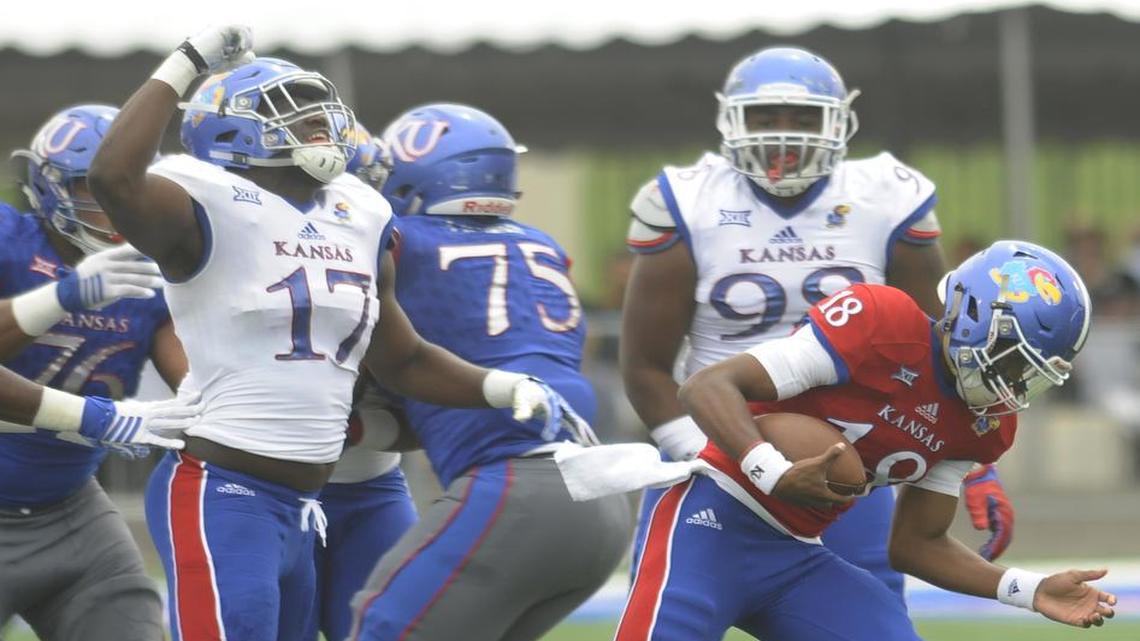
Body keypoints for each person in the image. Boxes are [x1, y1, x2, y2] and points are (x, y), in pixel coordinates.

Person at [88, 27, 590, 641]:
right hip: (222, 487)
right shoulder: (203, 200)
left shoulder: (360, 211)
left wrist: (502, 386)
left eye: (317, 111)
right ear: (230, 131)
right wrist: (187, 62)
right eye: (294, 116)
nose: (319, 125)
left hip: (310, 502)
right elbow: (113, 176)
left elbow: (402, 357)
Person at [620, 46, 1014, 598]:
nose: (785, 136)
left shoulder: (885, 196)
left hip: (853, 455)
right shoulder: (689, 201)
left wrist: (972, 466)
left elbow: (948, 350)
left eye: (803, 118)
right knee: (673, 612)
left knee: (862, 613)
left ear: (839, 123)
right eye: (765, 118)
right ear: (731, 121)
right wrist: (705, 454)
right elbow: (645, 365)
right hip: (713, 440)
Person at [614, 241, 1114, 641]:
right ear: (972, 313)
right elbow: (707, 385)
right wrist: (771, 470)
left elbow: (918, 545)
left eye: (1031, 372)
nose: (1014, 382)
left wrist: (1030, 589)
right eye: (1011, 357)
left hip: (795, 556)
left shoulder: (986, 424)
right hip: (712, 520)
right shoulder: (881, 320)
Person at [348, 103, 631, 641]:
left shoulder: (400, 241)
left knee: (383, 623)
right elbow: (446, 395)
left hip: (518, 489)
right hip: (598, 498)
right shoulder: (541, 245)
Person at [0, 103, 194, 641]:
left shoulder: (153, 273)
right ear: (49, 187)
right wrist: (60, 297)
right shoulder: (9, 238)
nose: (115, 202)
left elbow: (200, 387)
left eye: (132, 185)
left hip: (71, 509)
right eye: (94, 187)